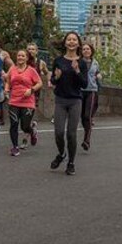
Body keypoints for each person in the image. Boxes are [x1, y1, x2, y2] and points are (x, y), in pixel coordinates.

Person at [50, 31, 88, 176]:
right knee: (59, 132)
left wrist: (77, 71)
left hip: (75, 100)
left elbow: (84, 84)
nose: (71, 42)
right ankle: (61, 154)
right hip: (60, 100)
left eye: (74, 40)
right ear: (65, 42)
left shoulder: (82, 63)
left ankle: (71, 162)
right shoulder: (58, 61)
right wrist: (56, 77)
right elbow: (53, 81)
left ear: (78, 43)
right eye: (69, 39)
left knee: (71, 134)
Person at [5, 49, 42, 156]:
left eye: (22, 56)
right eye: (18, 56)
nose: (20, 58)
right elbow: (8, 81)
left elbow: (39, 83)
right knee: (14, 124)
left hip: (28, 102)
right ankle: (15, 147)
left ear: (27, 58)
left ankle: (32, 131)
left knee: (24, 127)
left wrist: (31, 90)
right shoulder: (12, 69)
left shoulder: (31, 70)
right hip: (14, 101)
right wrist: (6, 90)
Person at [80, 42, 101, 151]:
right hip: (80, 91)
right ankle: (87, 131)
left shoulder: (95, 63)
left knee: (87, 116)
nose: (86, 51)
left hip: (91, 90)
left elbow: (97, 73)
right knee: (82, 116)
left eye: (88, 49)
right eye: (84, 49)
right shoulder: (78, 62)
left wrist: (98, 75)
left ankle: (87, 140)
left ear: (91, 51)